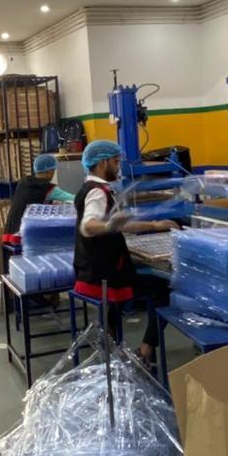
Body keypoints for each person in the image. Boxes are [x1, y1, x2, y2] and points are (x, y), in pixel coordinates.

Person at [74, 139, 177, 364]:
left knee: (132, 273)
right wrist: (108, 226)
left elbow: (119, 225)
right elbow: (88, 226)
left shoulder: (89, 188)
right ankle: (146, 351)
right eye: (116, 161)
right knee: (165, 289)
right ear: (102, 163)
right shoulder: (98, 193)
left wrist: (154, 225)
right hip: (102, 278)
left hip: (89, 271)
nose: (118, 167)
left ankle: (109, 339)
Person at [3, 153, 75, 245]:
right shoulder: (47, 188)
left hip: (8, 235)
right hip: (22, 238)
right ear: (49, 172)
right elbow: (73, 198)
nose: (53, 174)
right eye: (53, 171)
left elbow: (29, 201)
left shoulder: (23, 182)